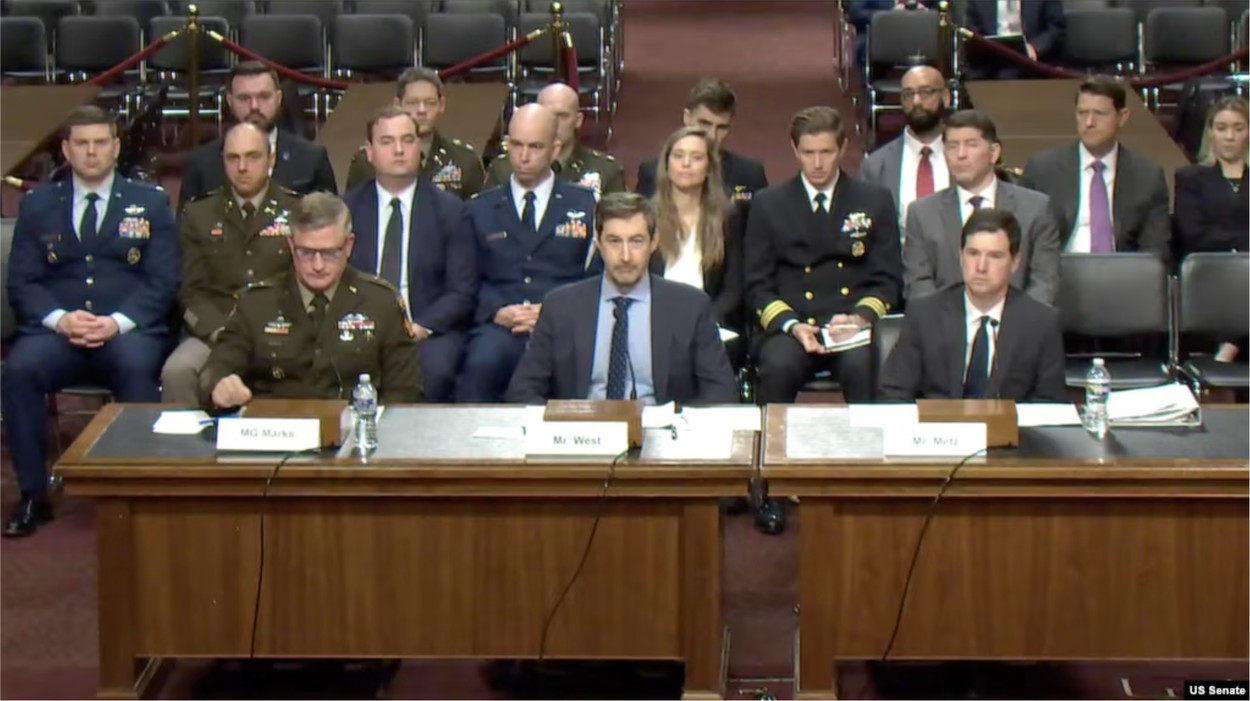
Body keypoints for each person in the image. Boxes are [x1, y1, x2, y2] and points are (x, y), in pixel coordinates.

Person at [2, 105, 179, 537]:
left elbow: (164, 280)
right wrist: (61, 320)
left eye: (101, 142)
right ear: (66, 150)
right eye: (82, 144)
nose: (92, 152)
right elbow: (22, 282)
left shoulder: (151, 202)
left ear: (116, 148)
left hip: (127, 332)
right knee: (19, 371)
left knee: (137, 368)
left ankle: (136, 492)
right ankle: (33, 496)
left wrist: (117, 322)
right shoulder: (38, 205)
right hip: (57, 334)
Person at [506, 192, 737, 404]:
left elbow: (721, 392)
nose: (625, 256)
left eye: (636, 241)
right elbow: (522, 391)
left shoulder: (690, 306)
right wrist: (563, 422)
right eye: (614, 241)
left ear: (653, 242)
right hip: (583, 428)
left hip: (659, 429)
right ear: (598, 242)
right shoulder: (561, 306)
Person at [201, 192, 421, 408]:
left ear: (348, 245)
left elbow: (405, 391)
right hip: (277, 425)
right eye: (306, 253)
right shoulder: (256, 303)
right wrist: (219, 387)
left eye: (329, 253)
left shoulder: (382, 302)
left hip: (355, 426)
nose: (318, 266)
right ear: (291, 245)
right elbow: (216, 370)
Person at [745, 106, 902, 406]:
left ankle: (868, 438)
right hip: (791, 326)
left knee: (864, 367)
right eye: (808, 153)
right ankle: (772, 438)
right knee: (777, 367)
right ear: (795, 150)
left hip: (850, 325)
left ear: (842, 148)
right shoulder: (769, 204)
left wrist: (860, 317)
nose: (817, 163)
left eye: (826, 152)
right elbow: (757, 284)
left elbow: (888, 279)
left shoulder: (874, 200)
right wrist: (792, 324)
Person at [455, 104, 598, 403]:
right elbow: (465, 281)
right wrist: (496, 311)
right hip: (499, 326)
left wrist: (555, 312)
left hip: (566, 326)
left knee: (578, 369)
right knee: (481, 364)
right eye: (516, 145)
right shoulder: (478, 209)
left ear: (555, 149)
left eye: (535, 147)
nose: (523, 156)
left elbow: (596, 277)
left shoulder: (586, 206)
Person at [162, 123, 302, 403]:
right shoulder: (198, 213)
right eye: (233, 158)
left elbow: (307, 281)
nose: (242, 167)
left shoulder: (298, 210)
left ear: (271, 159)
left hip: (281, 327)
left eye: (252, 157)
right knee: (177, 372)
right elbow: (191, 289)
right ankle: (188, 436)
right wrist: (221, 331)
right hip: (215, 330)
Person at [344, 106, 473, 403]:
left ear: (419, 148)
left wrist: (418, 328)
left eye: (407, 140)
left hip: (427, 328)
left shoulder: (450, 211)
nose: (399, 150)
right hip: (359, 326)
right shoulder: (347, 209)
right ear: (369, 152)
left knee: (434, 371)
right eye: (387, 141)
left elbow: (462, 291)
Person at [880, 208, 1067, 401]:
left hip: (1009, 421)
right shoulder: (925, 315)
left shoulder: (1041, 323)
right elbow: (894, 392)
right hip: (940, 420)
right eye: (973, 253)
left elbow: (1050, 403)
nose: (981, 267)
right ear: (961, 257)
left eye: (995, 256)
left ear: (1015, 262)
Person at [903, 109, 1060, 305]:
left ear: (994, 153)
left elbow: (1044, 281)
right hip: (945, 322)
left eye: (971, 145)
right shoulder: (922, 214)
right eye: (952, 146)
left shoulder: (1036, 208)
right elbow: (918, 285)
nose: (961, 154)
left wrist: (1015, 321)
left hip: (1019, 321)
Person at [1019, 76, 1172, 263]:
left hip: (1122, 273)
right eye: (1082, 113)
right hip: (1058, 272)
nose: (1089, 122)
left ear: (1122, 117)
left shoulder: (1147, 176)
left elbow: (1155, 251)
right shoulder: (1042, 169)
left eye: (1100, 113)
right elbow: (1024, 241)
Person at [179, 61, 336, 204]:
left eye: (264, 97)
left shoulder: (312, 159)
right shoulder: (201, 164)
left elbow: (332, 220)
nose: (254, 106)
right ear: (229, 101)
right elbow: (187, 223)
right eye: (244, 98)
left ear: (279, 98)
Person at [649, 125, 745, 336]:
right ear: (666, 164)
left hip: (708, 322)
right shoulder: (646, 215)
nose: (686, 164)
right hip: (655, 320)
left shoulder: (727, 217)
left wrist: (708, 321)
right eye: (678, 156)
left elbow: (733, 287)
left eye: (696, 157)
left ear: (709, 167)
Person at [1174, 95, 1249, 364]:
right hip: (1210, 274)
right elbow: (1194, 234)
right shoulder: (1190, 178)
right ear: (1210, 132)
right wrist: (1242, 246)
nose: (1229, 136)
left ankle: (1230, 346)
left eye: (1238, 128)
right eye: (1221, 128)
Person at [343, 67, 486, 199]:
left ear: (441, 105)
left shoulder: (464, 160)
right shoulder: (366, 161)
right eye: (412, 102)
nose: (421, 110)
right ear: (398, 105)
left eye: (429, 102)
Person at [635, 77, 769, 203]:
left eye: (721, 127)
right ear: (687, 117)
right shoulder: (652, 173)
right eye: (704, 124)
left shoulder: (750, 174)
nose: (712, 135)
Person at [485, 82, 625, 200]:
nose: (553, 123)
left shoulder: (606, 170)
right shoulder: (503, 168)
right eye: (546, 114)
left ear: (578, 120)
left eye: (562, 116)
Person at [860, 64, 951, 230]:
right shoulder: (875, 166)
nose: (916, 102)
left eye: (925, 92)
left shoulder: (966, 156)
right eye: (908, 94)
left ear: (945, 97)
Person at [963, 0, 1066, 80]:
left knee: (1009, 74)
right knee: (973, 76)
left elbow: (1056, 28)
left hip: (1030, 59)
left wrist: (1035, 47)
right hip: (991, 57)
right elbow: (971, 31)